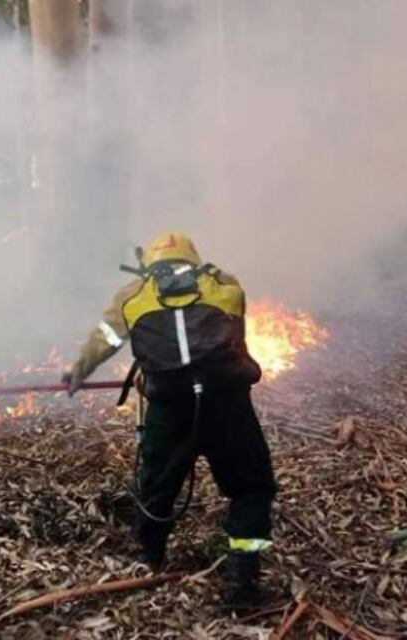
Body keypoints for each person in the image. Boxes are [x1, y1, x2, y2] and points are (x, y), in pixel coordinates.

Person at [63, 232, 277, 608]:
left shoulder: (132, 296)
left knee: (157, 488)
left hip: (169, 407)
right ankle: (243, 578)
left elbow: (104, 340)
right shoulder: (224, 284)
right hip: (227, 404)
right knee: (251, 488)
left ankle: (150, 560)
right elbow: (236, 337)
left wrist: (77, 374)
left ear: (152, 264)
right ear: (193, 260)